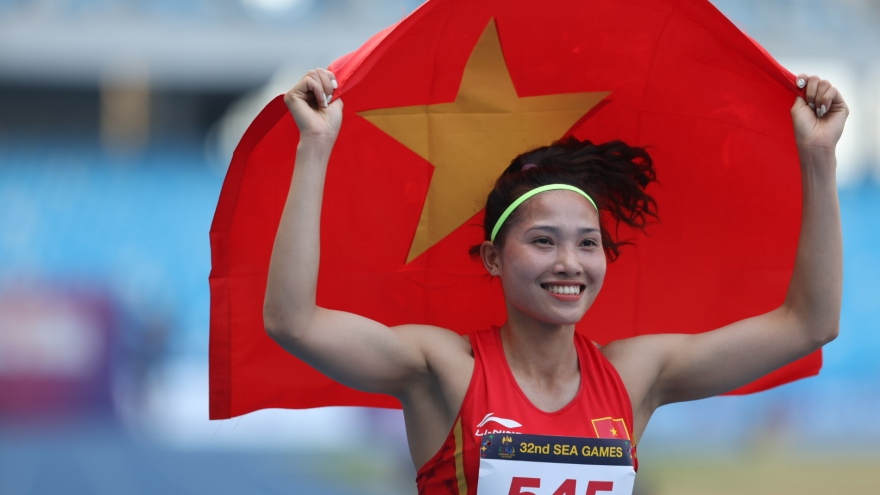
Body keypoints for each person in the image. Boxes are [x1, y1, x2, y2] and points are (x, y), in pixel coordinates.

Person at [263, 68, 847, 494]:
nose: (570, 262)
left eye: (588, 243)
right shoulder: (443, 369)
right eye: (543, 241)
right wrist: (315, 146)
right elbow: (293, 322)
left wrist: (819, 157)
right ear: (494, 257)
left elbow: (809, 324)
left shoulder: (635, 377)